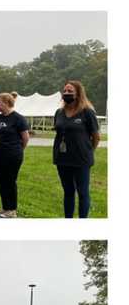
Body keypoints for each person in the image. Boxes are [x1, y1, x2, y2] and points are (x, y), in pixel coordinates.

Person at [53, 81, 101, 218]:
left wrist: (88, 151)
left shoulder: (87, 112)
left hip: (81, 159)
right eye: (65, 91)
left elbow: (96, 137)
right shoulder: (59, 112)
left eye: (70, 91)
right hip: (62, 159)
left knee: (82, 192)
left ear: (78, 94)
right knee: (68, 191)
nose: (66, 94)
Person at [0, 93, 30, 218]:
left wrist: (17, 150)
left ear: (7, 103)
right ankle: (5, 207)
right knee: (1, 180)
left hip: (12, 155)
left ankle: (12, 210)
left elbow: (25, 138)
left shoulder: (18, 118)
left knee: (10, 181)